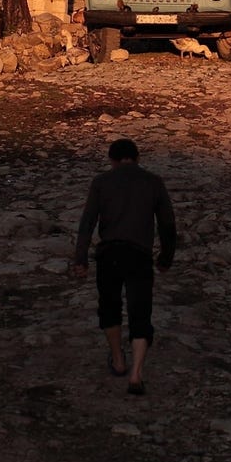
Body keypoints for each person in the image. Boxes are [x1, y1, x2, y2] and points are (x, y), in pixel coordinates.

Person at [70, 138, 177, 396]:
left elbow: (87, 223)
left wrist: (81, 259)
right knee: (140, 312)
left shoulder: (101, 182)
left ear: (112, 160)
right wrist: (166, 257)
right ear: (137, 158)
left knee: (110, 307)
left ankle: (118, 360)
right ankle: (136, 374)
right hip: (139, 255)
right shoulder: (153, 182)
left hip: (109, 253)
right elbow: (167, 224)